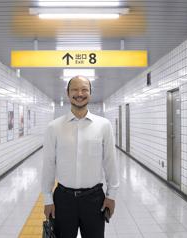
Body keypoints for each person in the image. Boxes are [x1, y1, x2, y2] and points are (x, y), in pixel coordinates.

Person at [42, 75, 119, 238]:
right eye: (75, 89)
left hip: (94, 200)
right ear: (68, 93)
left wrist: (111, 196)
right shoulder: (54, 127)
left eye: (84, 89)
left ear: (90, 93)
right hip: (63, 200)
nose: (79, 93)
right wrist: (48, 199)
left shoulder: (103, 126)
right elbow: (48, 165)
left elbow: (110, 162)